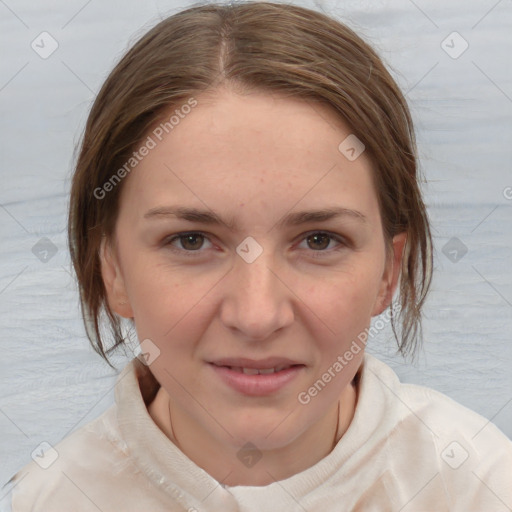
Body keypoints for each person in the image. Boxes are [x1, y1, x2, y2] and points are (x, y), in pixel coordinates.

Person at [4, 1, 511, 510]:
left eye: (318, 240)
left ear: (388, 271)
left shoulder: (483, 486)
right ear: (110, 269)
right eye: (191, 241)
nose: (257, 316)